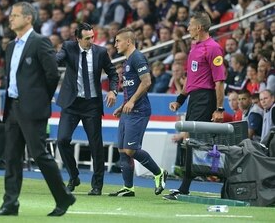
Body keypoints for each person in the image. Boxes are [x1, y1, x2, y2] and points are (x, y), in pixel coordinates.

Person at [0, 2, 75, 217]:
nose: (10, 19)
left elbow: (52, 74)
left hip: (33, 109)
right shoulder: (10, 46)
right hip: (13, 107)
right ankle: (10, 203)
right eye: (11, 15)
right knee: (12, 157)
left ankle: (63, 197)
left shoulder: (40, 42)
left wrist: (40, 99)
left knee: (39, 155)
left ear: (28, 18)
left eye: (15, 15)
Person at [164, 11, 226, 200]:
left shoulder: (213, 48)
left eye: (190, 25)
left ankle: (186, 187)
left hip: (206, 99)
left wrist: (219, 108)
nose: (188, 28)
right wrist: (179, 100)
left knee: (195, 142)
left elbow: (219, 81)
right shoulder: (195, 48)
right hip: (194, 99)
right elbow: (191, 80)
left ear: (199, 27)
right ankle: (187, 186)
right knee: (194, 142)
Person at [56, 22, 119, 196]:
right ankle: (74, 176)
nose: (91, 40)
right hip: (71, 104)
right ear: (77, 39)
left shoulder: (100, 52)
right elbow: (58, 58)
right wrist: (49, 60)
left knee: (96, 146)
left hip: (91, 104)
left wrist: (113, 90)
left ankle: (97, 185)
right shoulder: (69, 47)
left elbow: (113, 73)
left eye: (92, 36)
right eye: (87, 38)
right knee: (62, 140)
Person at [109, 27, 168, 197]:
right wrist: (123, 105)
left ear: (128, 41)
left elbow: (147, 82)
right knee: (121, 149)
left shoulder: (137, 57)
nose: (115, 44)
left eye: (118, 41)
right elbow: (132, 87)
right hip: (128, 110)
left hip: (139, 110)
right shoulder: (127, 61)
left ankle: (159, 173)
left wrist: (133, 101)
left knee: (131, 150)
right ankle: (128, 188)